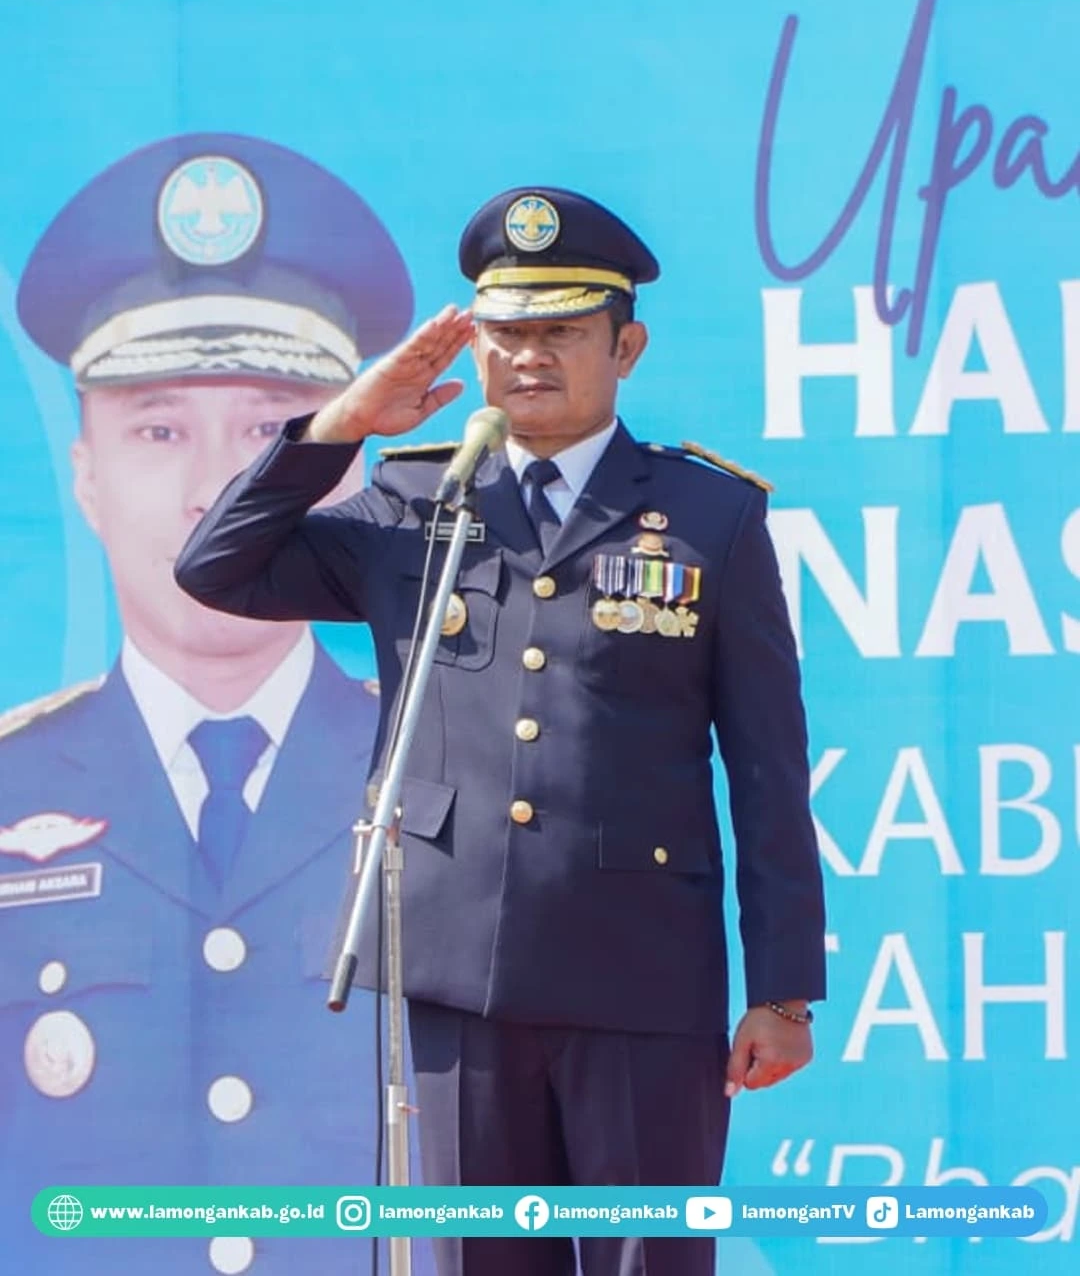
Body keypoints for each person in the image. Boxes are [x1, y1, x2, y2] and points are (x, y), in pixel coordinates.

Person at [175, 185, 828, 1276]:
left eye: (561, 333)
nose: (529, 357)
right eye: (506, 334)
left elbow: (768, 767)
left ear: (626, 348)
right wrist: (343, 426)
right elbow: (217, 569)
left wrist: (783, 991)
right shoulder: (415, 501)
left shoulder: (709, 516)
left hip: (641, 974)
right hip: (457, 973)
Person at [0, 132, 434, 1276]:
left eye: (274, 434)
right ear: (86, 475)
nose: (216, 491)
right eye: (158, 430)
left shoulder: (449, 768)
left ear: (347, 473)